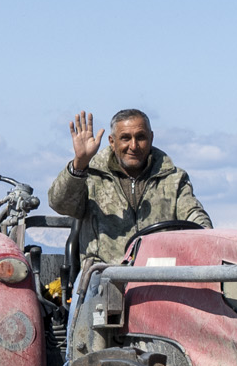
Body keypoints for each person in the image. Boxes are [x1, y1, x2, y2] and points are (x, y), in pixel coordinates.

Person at [47, 108, 211, 271]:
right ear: (112, 141)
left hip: (160, 273)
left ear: (151, 138)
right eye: (125, 138)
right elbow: (60, 203)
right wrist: (79, 164)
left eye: (140, 137)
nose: (133, 146)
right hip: (102, 274)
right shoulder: (91, 176)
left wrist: (209, 238)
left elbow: (195, 217)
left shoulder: (173, 179)